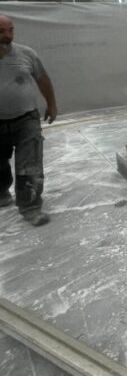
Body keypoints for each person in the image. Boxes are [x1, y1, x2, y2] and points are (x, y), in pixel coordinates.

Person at [0, 14, 56, 225]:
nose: (7, 36)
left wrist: (51, 104)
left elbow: (43, 80)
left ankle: (30, 206)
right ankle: (2, 192)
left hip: (26, 118)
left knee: (30, 163)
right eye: (1, 32)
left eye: (10, 30)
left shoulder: (26, 54)